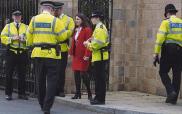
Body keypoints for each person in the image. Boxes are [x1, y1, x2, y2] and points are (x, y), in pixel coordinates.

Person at [26, 1, 67, 114]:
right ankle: (47, 107)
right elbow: (63, 36)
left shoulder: (34, 19)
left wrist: (30, 46)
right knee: (52, 81)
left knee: (39, 80)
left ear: (42, 9)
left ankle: (41, 103)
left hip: (38, 53)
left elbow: (28, 36)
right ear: (52, 10)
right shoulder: (55, 20)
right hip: (51, 55)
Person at [153, 4, 182, 105]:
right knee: (177, 74)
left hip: (168, 50)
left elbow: (160, 39)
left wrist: (156, 53)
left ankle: (170, 91)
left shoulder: (165, 22)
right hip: (180, 51)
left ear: (167, 13)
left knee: (163, 72)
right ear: (175, 12)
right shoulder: (181, 22)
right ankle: (173, 99)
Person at [1, 9, 28, 101]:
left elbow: (30, 39)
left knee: (22, 74)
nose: (17, 17)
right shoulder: (8, 26)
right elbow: (2, 38)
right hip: (11, 52)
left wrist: (25, 40)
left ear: (21, 17)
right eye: (15, 16)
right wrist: (12, 38)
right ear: (13, 17)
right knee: (9, 74)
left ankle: (22, 93)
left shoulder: (26, 27)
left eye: (19, 16)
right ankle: (8, 94)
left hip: (22, 52)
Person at [84, 11, 109, 105]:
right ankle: (98, 97)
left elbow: (98, 44)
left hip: (100, 56)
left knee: (100, 79)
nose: (91, 19)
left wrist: (88, 44)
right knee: (98, 79)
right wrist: (90, 39)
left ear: (97, 18)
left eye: (92, 18)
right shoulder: (98, 27)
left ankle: (100, 99)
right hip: (98, 56)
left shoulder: (100, 28)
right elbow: (95, 39)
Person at [53, 1, 75, 97]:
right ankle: (53, 90)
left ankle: (60, 90)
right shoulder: (52, 19)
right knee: (53, 70)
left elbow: (71, 32)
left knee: (61, 70)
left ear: (61, 9)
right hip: (52, 48)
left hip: (63, 48)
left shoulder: (68, 20)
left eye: (56, 10)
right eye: (54, 9)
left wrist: (61, 34)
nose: (55, 11)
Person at [69, 13, 92, 100]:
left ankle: (89, 92)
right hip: (76, 56)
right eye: (76, 19)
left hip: (83, 56)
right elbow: (74, 42)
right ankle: (77, 93)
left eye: (78, 19)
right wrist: (70, 53)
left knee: (83, 74)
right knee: (76, 74)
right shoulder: (76, 29)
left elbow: (89, 43)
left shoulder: (87, 29)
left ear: (82, 20)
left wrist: (87, 55)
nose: (76, 20)